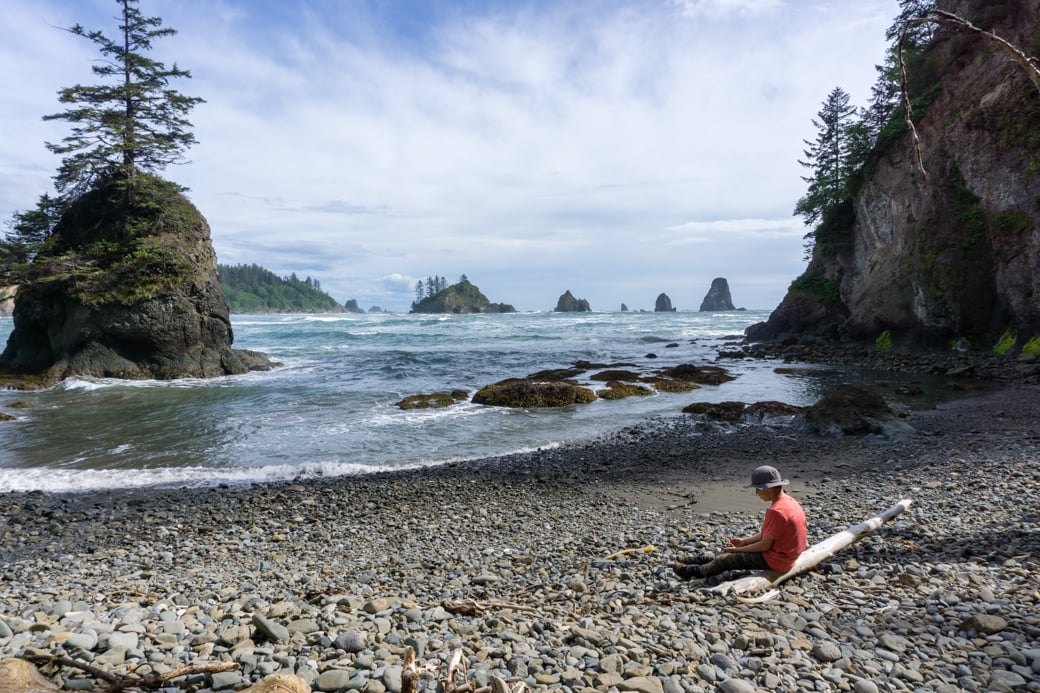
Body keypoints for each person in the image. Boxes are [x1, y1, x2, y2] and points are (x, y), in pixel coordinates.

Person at [674, 465, 807, 582]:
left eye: (758, 489)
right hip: (789, 556)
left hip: (778, 561)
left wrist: (738, 550)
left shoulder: (777, 511)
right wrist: (744, 541)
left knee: (727, 560)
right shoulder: (789, 502)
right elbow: (768, 535)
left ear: (768, 489)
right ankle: (700, 560)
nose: (756, 493)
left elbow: (764, 546)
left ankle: (693, 572)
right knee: (732, 553)